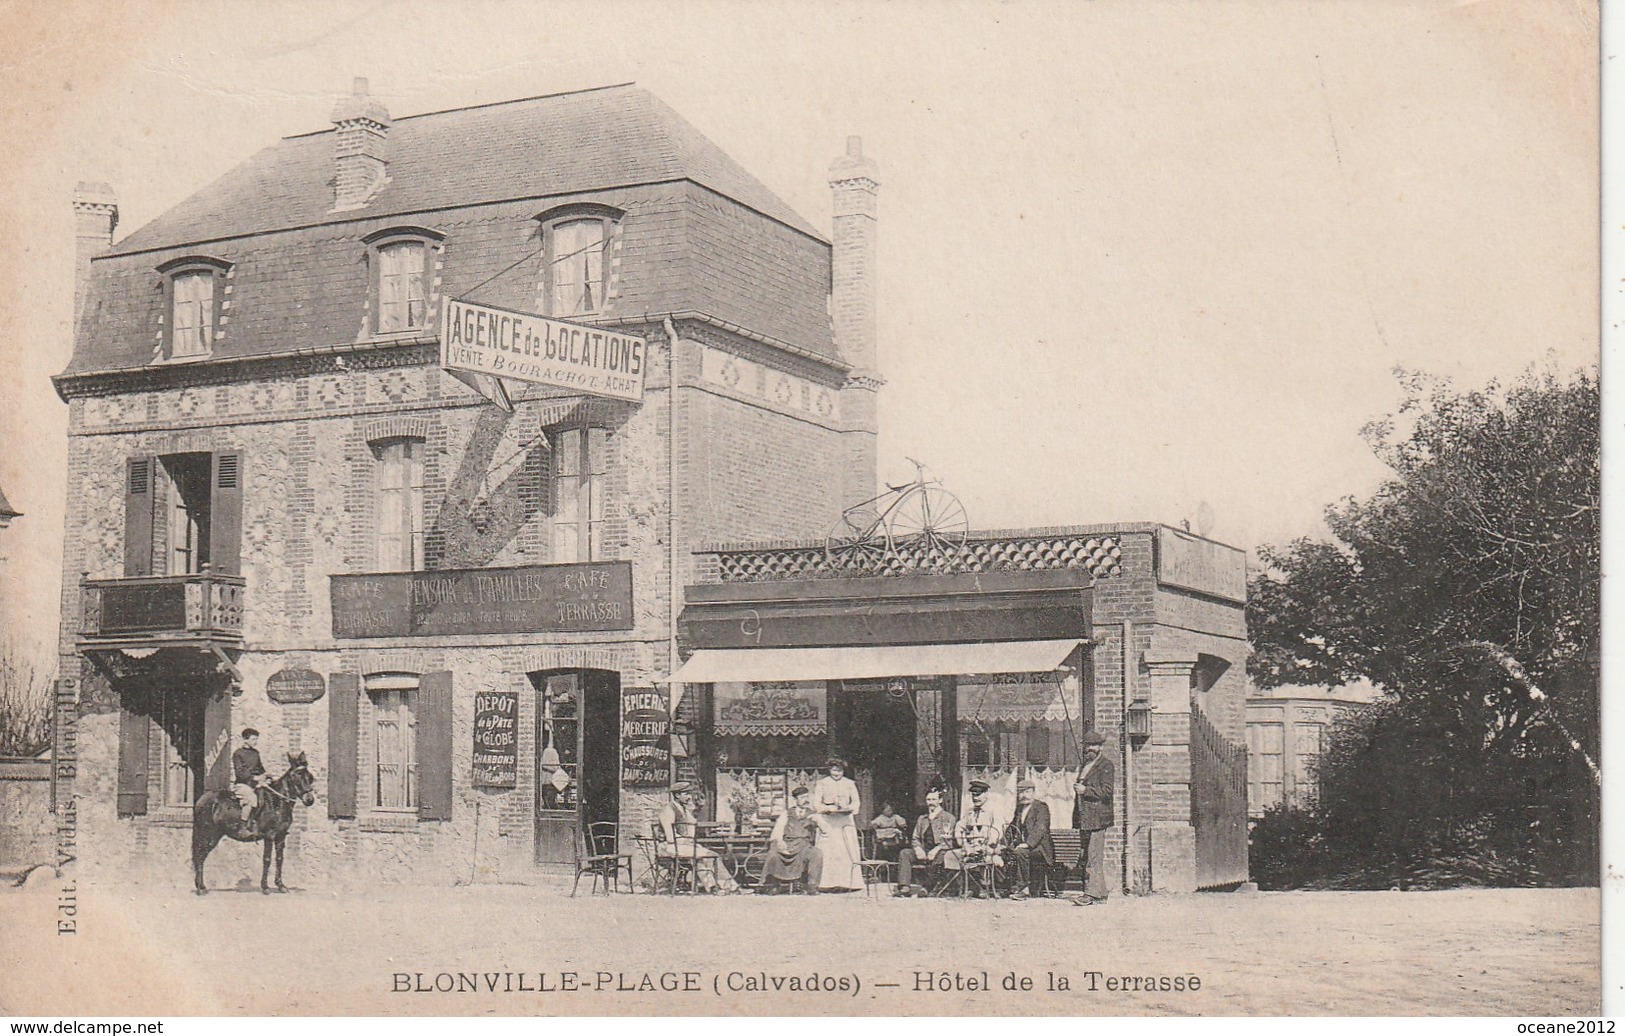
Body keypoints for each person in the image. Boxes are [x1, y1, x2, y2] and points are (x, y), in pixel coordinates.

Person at [657, 782, 739, 893]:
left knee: (702, 858)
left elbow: (692, 828)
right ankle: (728, 886)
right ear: (677, 795)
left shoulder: (683, 809)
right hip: (669, 847)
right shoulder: (668, 811)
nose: (689, 797)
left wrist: (691, 810)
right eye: (686, 794)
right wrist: (688, 842)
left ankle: (714, 887)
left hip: (681, 845)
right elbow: (671, 838)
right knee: (711, 855)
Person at [1072, 730, 1116, 905]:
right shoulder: (1086, 765)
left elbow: (1107, 791)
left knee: (1093, 856)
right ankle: (1101, 894)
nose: (1089, 748)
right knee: (1089, 855)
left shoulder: (1106, 765)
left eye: (1092, 745)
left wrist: (1085, 791)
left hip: (1098, 818)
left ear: (1100, 747)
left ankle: (1090, 894)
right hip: (1085, 818)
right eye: (1086, 745)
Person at [811, 758, 863, 891]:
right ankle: (825, 883)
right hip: (828, 821)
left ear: (843, 771)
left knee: (845, 850)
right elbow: (816, 803)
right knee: (829, 850)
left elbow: (856, 802)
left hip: (844, 820)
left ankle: (850, 883)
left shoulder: (850, 784)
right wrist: (826, 809)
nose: (837, 773)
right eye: (834, 770)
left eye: (839, 771)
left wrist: (849, 808)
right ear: (829, 770)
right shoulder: (822, 783)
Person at [761, 786, 823, 893]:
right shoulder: (787, 813)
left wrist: (818, 821)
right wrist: (780, 841)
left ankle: (812, 886)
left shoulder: (813, 814)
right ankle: (773, 885)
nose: (805, 800)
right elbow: (778, 830)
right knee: (773, 854)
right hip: (788, 844)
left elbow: (825, 830)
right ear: (795, 799)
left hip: (804, 846)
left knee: (817, 853)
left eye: (807, 797)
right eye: (802, 797)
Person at [897, 788, 956, 896]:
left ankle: (927, 887)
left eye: (934, 799)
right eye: (928, 800)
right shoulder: (922, 819)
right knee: (905, 853)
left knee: (941, 857)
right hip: (924, 850)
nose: (931, 803)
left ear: (940, 800)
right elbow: (915, 838)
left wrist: (936, 850)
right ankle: (904, 887)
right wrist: (918, 849)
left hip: (940, 850)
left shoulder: (948, 818)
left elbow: (948, 840)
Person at [952, 779, 1005, 897]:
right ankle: (969, 887)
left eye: (978, 794)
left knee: (983, 856)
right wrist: (962, 842)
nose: (975, 798)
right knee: (955, 855)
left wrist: (987, 843)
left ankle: (984, 887)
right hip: (972, 846)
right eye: (973, 795)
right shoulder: (970, 811)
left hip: (990, 846)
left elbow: (997, 830)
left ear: (986, 794)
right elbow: (959, 826)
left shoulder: (994, 810)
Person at [1004, 779, 1056, 899]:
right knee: (1004, 851)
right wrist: (1003, 843)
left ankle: (1024, 889)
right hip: (1026, 848)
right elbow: (1012, 828)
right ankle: (1007, 886)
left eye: (1027, 792)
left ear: (1033, 792)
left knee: (1020, 852)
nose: (1024, 795)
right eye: (1021, 792)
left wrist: (1027, 844)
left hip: (1040, 849)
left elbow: (1040, 828)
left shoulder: (1041, 807)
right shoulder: (1020, 809)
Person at [232, 728, 272, 825]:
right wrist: (255, 778)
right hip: (243, 784)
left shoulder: (255, 753)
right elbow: (240, 773)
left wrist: (266, 776)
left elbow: (260, 768)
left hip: (255, 784)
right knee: (251, 798)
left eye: (256, 739)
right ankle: (243, 825)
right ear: (245, 739)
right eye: (253, 739)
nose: (256, 742)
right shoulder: (238, 753)